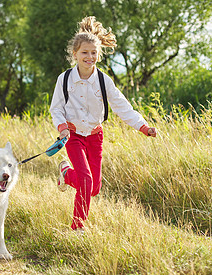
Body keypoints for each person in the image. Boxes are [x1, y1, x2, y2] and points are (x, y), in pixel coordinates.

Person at [49, 16, 157, 232]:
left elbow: (122, 106)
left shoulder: (103, 80)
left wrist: (143, 126)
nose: (89, 57)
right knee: (86, 180)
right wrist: (62, 129)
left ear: (99, 54)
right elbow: (56, 108)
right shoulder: (65, 78)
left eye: (93, 53)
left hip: (95, 136)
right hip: (73, 136)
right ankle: (77, 228)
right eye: (84, 52)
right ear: (75, 54)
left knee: (94, 188)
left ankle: (66, 174)